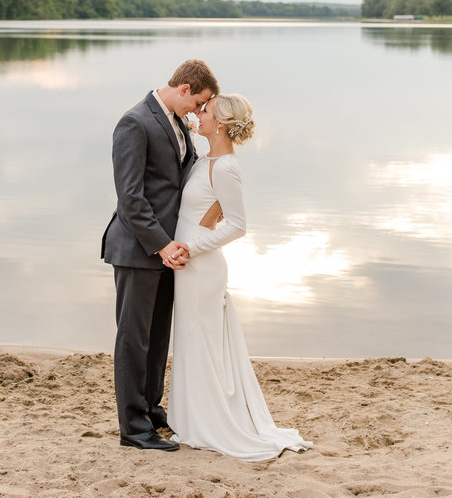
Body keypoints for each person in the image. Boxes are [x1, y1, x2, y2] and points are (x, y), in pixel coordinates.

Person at [168, 93, 313, 461]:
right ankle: (190, 419)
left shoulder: (226, 167)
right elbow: (207, 211)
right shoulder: (206, 160)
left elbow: (238, 226)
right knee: (190, 340)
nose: (198, 115)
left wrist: (192, 247)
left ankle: (209, 423)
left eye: (205, 112)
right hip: (189, 264)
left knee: (200, 340)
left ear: (222, 124)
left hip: (200, 267)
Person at [102, 59, 218, 451]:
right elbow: (130, 197)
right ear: (184, 89)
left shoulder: (174, 121)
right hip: (139, 249)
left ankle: (150, 410)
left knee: (157, 337)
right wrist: (162, 244)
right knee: (134, 340)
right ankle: (133, 429)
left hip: (168, 252)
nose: (198, 113)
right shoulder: (135, 122)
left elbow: (178, 181)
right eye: (198, 103)